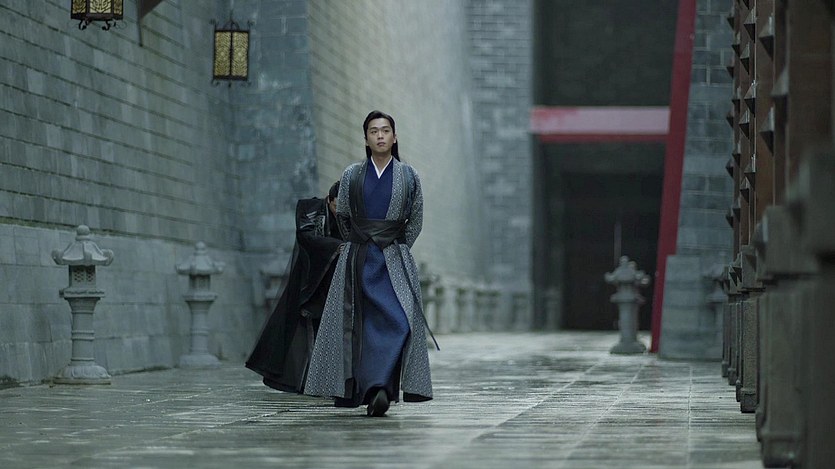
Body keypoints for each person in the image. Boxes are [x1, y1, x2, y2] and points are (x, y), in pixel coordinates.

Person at [304, 110, 436, 417]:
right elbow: (344, 216)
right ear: (366, 139)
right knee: (359, 325)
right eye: (373, 131)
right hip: (359, 258)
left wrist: (396, 244)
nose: (380, 136)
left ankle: (382, 386)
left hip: (394, 258)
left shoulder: (409, 176)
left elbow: (415, 220)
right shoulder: (352, 174)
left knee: (400, 322)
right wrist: (360, 242)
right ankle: (375, 390)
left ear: (394, 137)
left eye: (385, 130)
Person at [245, 181, 345, 393]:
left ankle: (327, 379)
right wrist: (336, 246)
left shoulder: (350, 216)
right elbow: (305, 236)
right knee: (298, 327)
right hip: (310, 277)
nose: (339, 212)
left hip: (335, 278)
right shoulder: (309, 209)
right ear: (329, 200)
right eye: (337, 206)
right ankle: (303, 380)